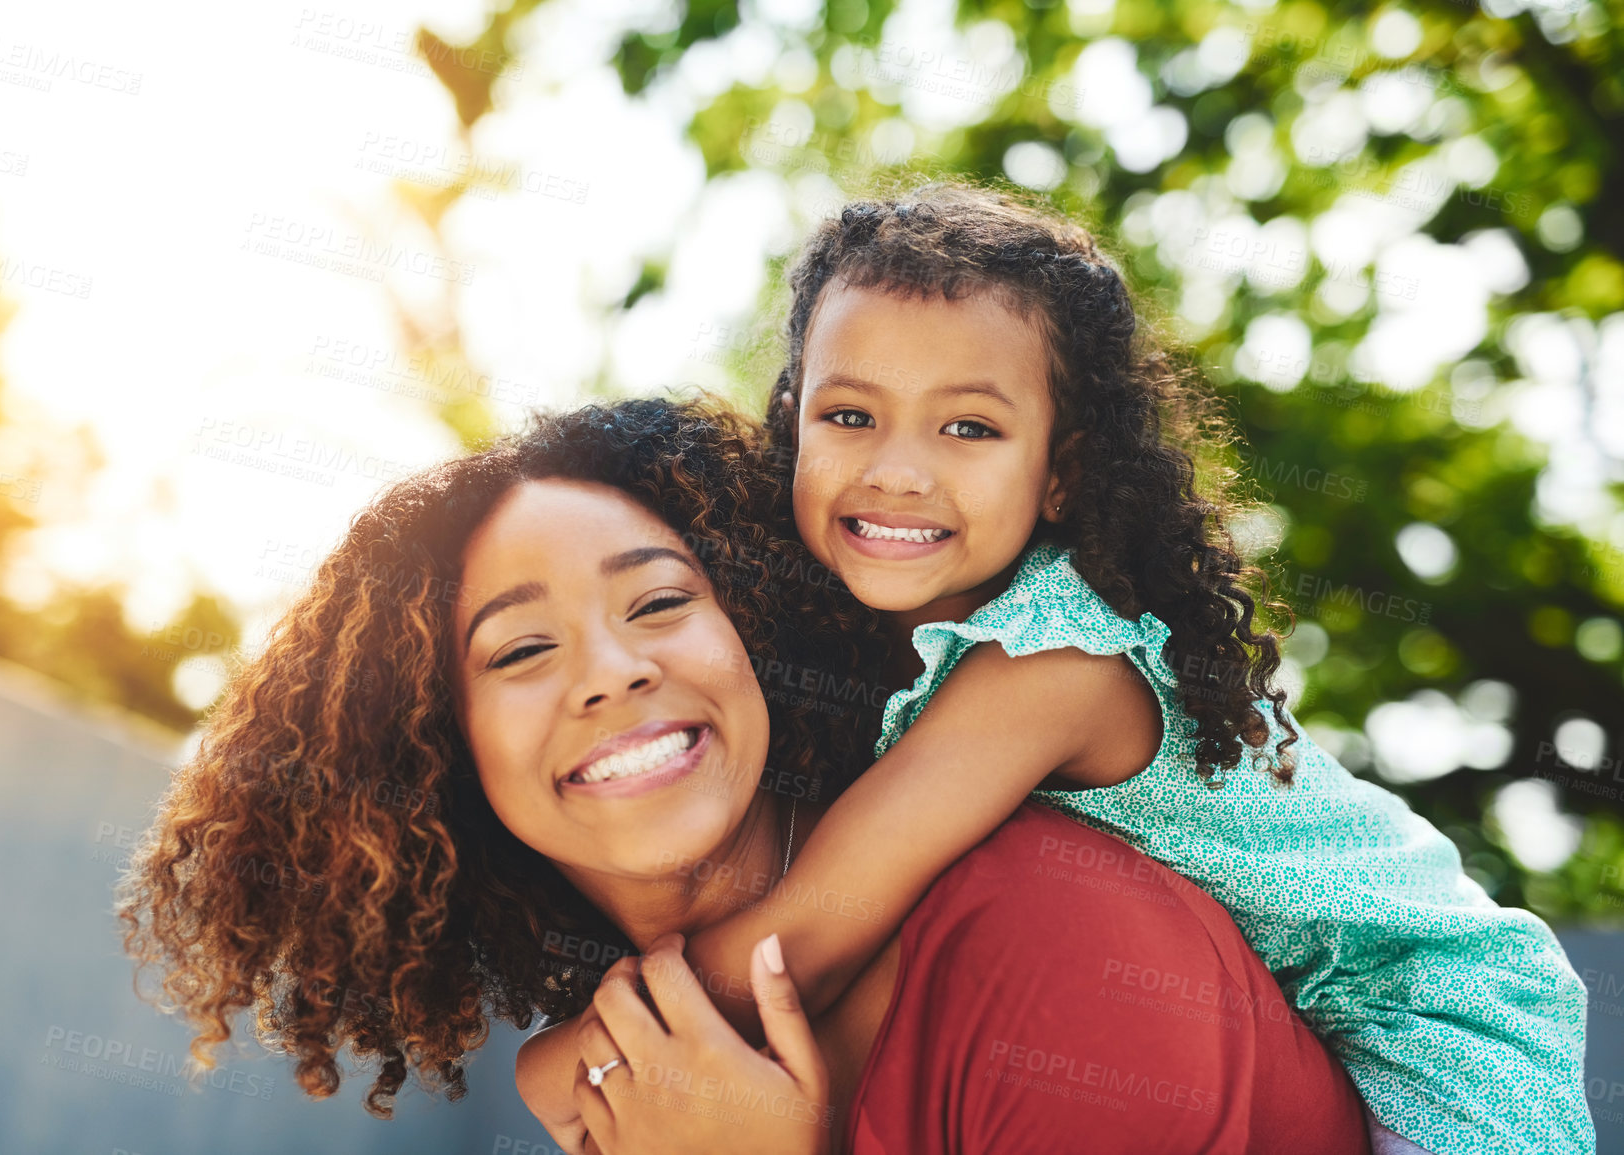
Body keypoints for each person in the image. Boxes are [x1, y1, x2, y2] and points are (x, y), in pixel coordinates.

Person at [521, 188, 1594, 1155]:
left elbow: (815, 932)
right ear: (792, 423)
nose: (897, 470)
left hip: (1428, 1021)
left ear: (1060, 475)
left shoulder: (1055, 660)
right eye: (849, 416)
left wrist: (559, 1063)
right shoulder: (871, 644)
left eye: (969, 428)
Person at [117, 399, 1370, 1153]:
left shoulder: (1053, 942)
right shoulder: (637, 1080)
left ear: (759, 632)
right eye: (523, 650)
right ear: (436, 756)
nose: (609, 674)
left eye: (660, 601)